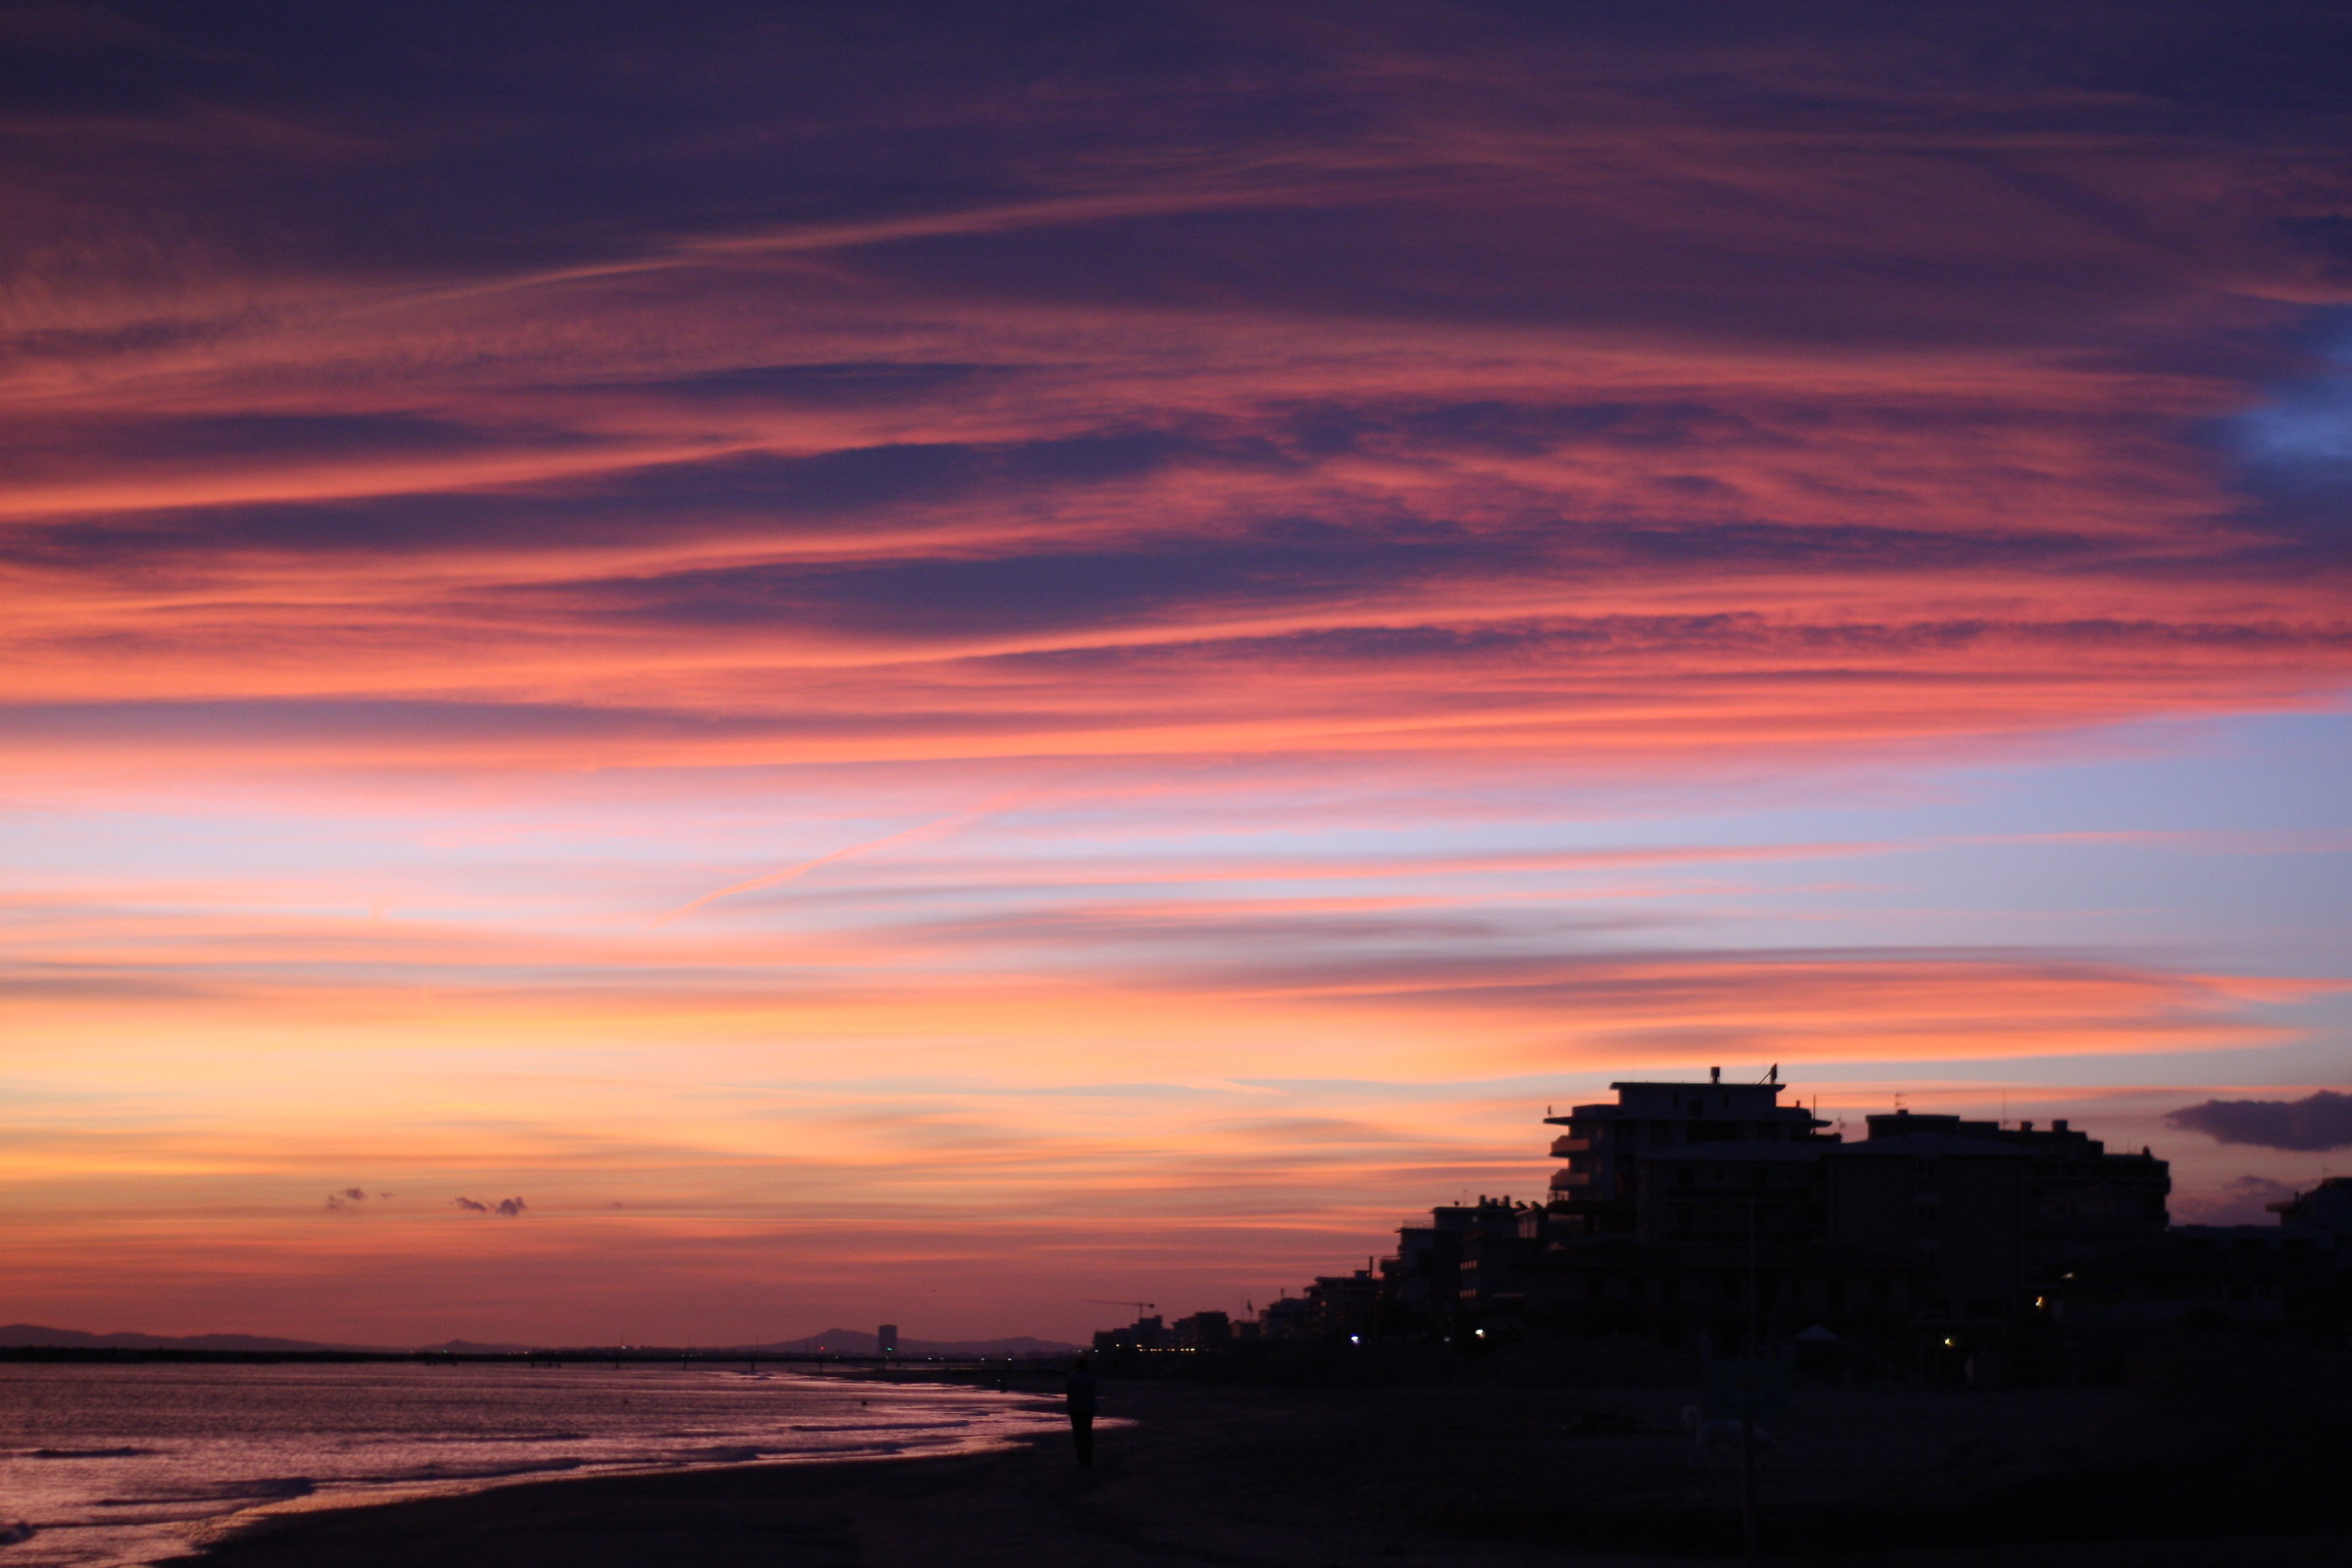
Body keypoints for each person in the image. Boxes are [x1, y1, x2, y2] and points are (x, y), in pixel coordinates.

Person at [1064, 1353, 1098, 1467]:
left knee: (1078, 1434)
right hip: (1088, 1407)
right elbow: (1093, 1389)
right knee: (1087, 1433)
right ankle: (1088, 1458)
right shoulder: (1091, 1377)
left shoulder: (1072, 1377)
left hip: (1075, 1407)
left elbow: (1068, 1390)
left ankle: (1081, 1459)